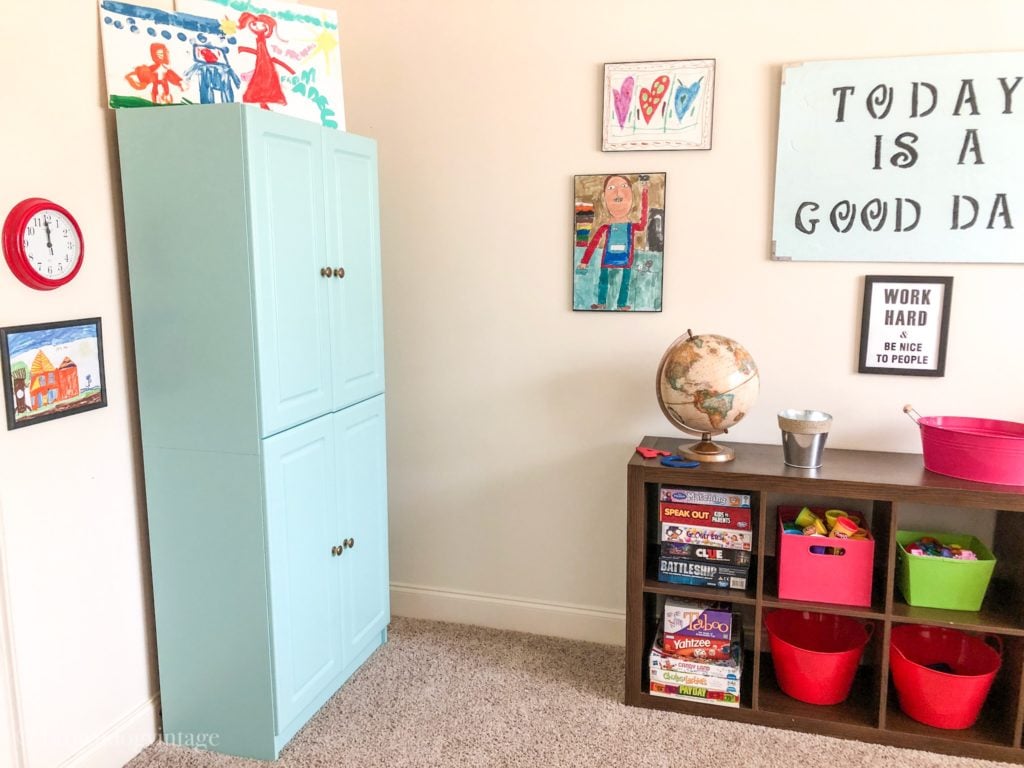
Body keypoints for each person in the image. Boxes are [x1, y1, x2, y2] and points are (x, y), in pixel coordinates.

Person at [576, 174, 649, 310]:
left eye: (624, 187)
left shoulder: (631, 226)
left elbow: (643, 223)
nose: (618, 193)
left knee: (625, 282)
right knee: (603, 281)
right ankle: (601, 303)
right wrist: (585, 261)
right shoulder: (606, 227)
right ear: (605, 200)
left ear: (632, 199)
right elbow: (593, 243)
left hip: (626, 259)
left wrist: (645, 192)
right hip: (607, 259)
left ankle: (621, 304)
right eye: (611, 188)